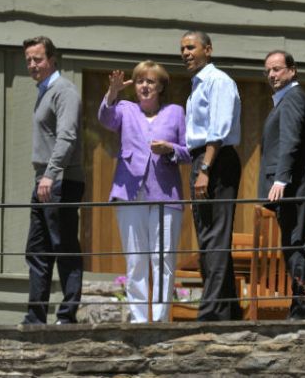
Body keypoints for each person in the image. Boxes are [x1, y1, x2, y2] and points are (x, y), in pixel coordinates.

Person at [98, 61, 191, 322]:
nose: (144, 86)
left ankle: (161, 319)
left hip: (166, 194)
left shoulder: (175, 112)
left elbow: (188, 152)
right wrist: (112, 93)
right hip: (130, 192)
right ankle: (139, 319)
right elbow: (106, 119)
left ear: (161, 86)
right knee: (136, 260)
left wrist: (170, 149)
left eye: (150, 81)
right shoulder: (125, 109)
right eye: (140, 81)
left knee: (163, 259)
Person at [21, 36, 85, 325]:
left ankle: (67, 315)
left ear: (52, 59)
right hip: (43, 181)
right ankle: (35, 316)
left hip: (60, 181)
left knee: (65, 247)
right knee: (37, 250)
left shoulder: (64, 90)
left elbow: (67, 136)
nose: (33, 65)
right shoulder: (44, 91)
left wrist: (51, 173)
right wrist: (43, 177)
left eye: (38, 59)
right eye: (29, 60)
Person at [181, 30, 243, 321]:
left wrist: (205, 169)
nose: (186, 53)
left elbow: (217, 130)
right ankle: (228, 308)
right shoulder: (197, 85)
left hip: (215, 161)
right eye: (182, 49)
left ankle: (210, 312)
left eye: (191, 47)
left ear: (208, 50)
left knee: (215, 237)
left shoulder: (217, 81)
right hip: (202, 159)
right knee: (208, 237)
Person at [258, 50, 305, 320]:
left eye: (277, 69)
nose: (272, 75)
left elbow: (291, 142)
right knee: (292, 248)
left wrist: (281, 178)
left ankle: (304, 310)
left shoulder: (294, 98)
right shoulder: (285, 100)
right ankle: (299, 306)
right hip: (289, 189)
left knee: (296, 247)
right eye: (268, 70)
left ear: (292, 70)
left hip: (294, 188)